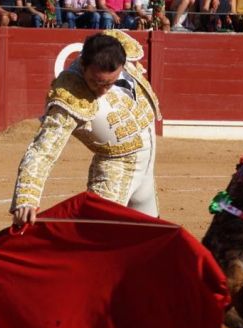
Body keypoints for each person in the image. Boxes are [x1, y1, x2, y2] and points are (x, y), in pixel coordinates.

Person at [11, 30, 162, 227]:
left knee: (150, 237)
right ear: (83, 66)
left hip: (148, 168)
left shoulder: (118, 47)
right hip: (115, 173)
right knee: (94, 239)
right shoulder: (71, 94)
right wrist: (27, 196)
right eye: (95, 81)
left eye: (109, 82)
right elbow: (43, 150)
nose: (102, 90)